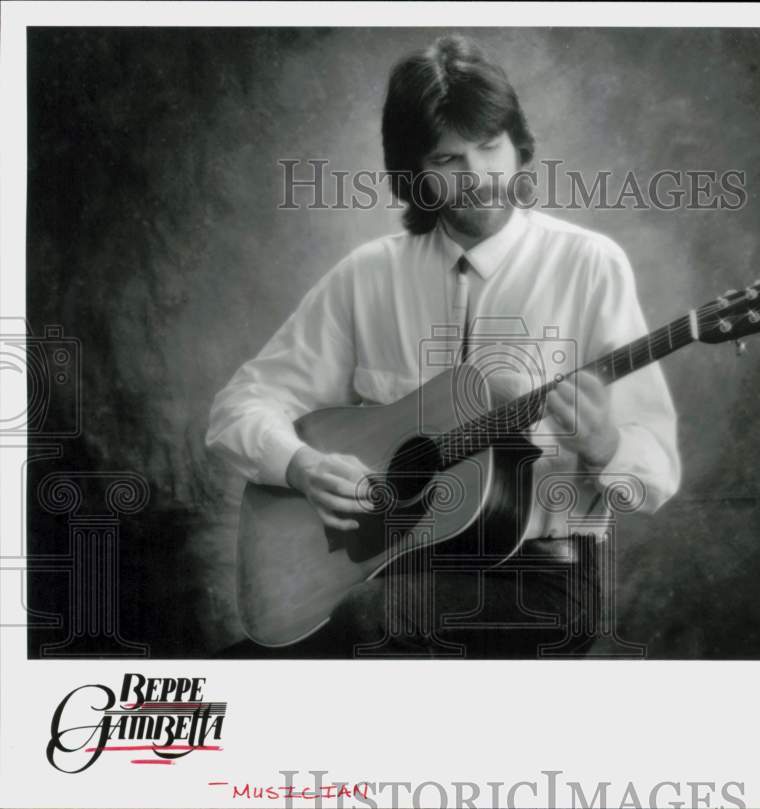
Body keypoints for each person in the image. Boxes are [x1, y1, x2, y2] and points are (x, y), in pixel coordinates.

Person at [206, 34, 682, 658]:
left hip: (541, 573)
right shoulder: (367, 276)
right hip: (386, 566)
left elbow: (657, 471)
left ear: (519, 146)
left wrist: (607, 445)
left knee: (331, 641)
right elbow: (237, 407)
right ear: (414, 174)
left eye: (491, 148)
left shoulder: (590, 265)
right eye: (449, 160)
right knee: (247, 661)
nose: (480, 177)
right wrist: (303, 464)